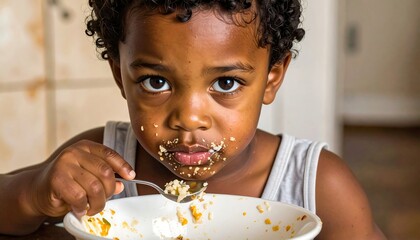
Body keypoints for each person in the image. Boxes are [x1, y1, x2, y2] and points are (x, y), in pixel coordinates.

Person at [0, 0, 386, 239]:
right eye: (156, 82)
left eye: (226, 82)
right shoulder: (104, 163)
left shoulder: (316, 187)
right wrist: (37, 192)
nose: (189, 119)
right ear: (120, 75)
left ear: (272, 77)